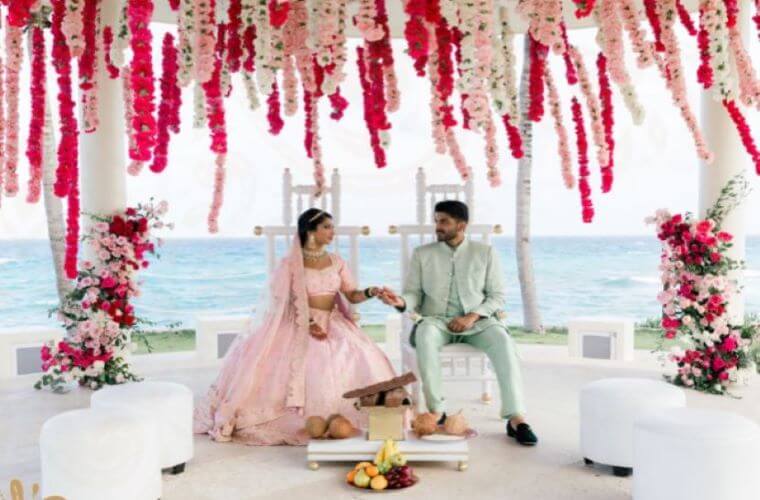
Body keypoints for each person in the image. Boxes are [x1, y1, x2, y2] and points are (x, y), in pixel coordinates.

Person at [194, 208, 396, 445]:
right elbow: (282, 302)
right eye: (327, 227)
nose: (332, 232)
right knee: (305, 360)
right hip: (298, 322)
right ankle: (309, 420)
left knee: (362, 353)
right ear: (311, 230)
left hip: (334, 322)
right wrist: (308, 322)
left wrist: (371, 292)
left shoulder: (337, 262)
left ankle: (356, 418)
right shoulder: (290, 264)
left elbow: (351, 295)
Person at [378, 200, 538, 446]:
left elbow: (497, 296)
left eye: (444, 221)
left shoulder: (485, 253)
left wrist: (472, 316)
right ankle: (438, 411)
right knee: (425, 335)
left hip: (478, 322)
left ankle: (516, 418)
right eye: (436, 221)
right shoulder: (423, 254)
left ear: (462, 225)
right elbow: (413, 294)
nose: (437, 227)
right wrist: (399, 301)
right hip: (436, 321)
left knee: (503, 341)